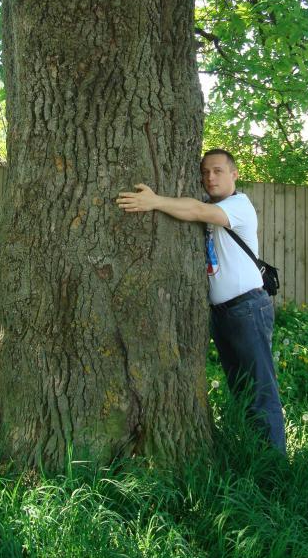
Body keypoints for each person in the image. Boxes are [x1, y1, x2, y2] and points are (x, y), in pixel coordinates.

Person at [116, 148, 286, 454]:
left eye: (218, 171)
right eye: (205, 172)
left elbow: (196, 211)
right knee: (241, 389)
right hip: (223, 314)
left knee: (260, 389)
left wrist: (153, 202)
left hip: (247, 308)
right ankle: (253, 453)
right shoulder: (211, 204)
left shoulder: (239, 206)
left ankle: (275, 466)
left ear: (234, 174)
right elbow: (193, 207)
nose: (210, 177)